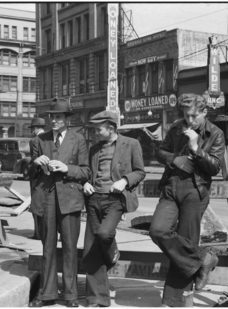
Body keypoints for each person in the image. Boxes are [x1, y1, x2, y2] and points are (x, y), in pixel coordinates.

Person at [151, 93, 225, 292]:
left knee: (185, 241)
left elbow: (215, 167)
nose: (189, 121)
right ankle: (204, 259)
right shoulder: (176, 127)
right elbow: (159, 152)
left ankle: (175, 301)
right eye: (186, 116)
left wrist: (196, 149)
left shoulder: (215, 133)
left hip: (195, 189)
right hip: (171, 185)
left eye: (194, 116)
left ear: (204, 112)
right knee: (157, 229)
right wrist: (174, 159)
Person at [29, 99, 90, 308]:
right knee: (48, 247)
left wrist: (66, 168)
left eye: (58, 117)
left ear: (67, 119)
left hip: (70, 199)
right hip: (46, 199)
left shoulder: (78, 140)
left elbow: (86, 171)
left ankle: (71, 295)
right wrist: (35, 164)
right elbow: (30, 173)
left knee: (70, 248)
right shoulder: (39, 140)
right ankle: (47, 294)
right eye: (51, 117)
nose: (53, 120)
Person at [81, 110, 145, 307]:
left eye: (98, 129)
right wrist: (85, 183)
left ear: (111, 128)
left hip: (116, 199)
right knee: (91, 250)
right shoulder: (94, 148)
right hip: (94, 199)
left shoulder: (131, 144)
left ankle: (113, 251)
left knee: (104, 234)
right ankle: (96, 299)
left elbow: (140, 172)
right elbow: (89, 172)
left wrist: (125, 181)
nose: (95, 133)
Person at [29, 117, 47, 240]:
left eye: (32, 128)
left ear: (35, 129)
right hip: (48, 176)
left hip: (37, 177)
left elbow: (34, 159)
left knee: (36, 205)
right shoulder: (50, 138)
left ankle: (38, 233)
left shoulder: (35, 140)